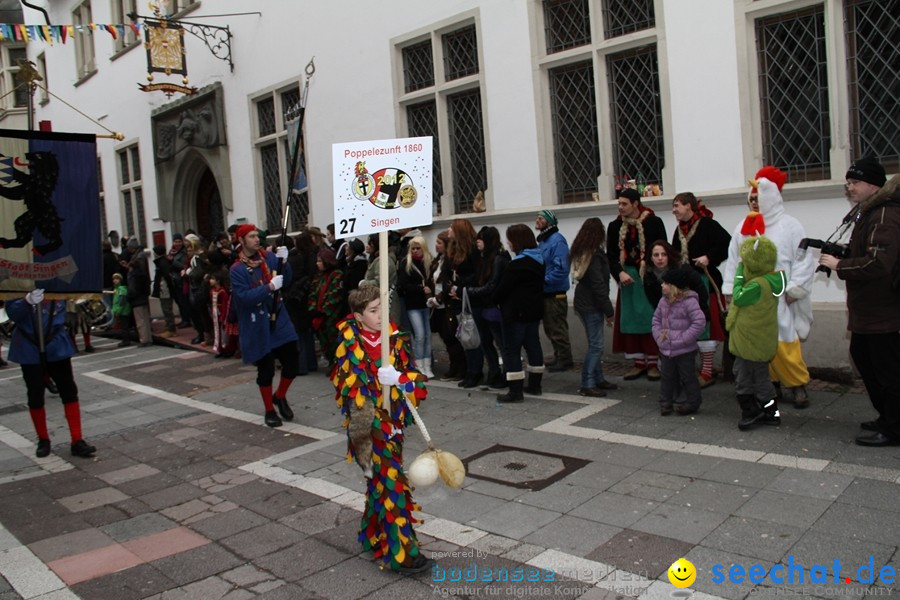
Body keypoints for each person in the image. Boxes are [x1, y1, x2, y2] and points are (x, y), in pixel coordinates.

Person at [331, 286, 431, 574]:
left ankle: (373, 536)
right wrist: (375, 381)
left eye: (382, 308)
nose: (380, 315)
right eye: (373, 311)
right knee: (392, 482)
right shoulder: (349, 342)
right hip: (369, 427)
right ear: (358, 316)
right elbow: (349, 390)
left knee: (380, 482)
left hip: (394, 424)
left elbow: (418, 383)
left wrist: (399, 377)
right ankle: (403, 555)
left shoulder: (395, 338)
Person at [819, 158, 900, 446]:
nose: (849, 188)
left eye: (855, 182)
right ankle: (888, 417)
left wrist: (840, 265)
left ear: (873, 185)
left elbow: (878, 263)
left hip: (884, 312)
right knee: (866, 359)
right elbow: (864, 250)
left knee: (887, 371)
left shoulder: (884, 215)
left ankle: (895, 428)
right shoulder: (869, 213)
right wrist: (840, 251)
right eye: (848, 183)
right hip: (870, 311)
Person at [722, 167, 816, 408]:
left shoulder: (790, 226)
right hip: (753, 298)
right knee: (759, 342)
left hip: (780, 294)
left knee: (785, 340)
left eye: (758, 197)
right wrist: (731, 290)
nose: (754, 201)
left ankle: (797, 384)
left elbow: (803, 260)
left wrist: (794, 289)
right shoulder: (743, 226)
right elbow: (734, 261)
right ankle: (770, 383)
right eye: (751, 198)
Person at [6, 290, 96, 458]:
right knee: (35, 394)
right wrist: (26, 301)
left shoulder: (56, 284)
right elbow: (13, 313)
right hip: (28, 346)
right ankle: (43, 439)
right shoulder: (16, 285)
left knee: (68, 390)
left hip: (55, 344)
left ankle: (77, 440)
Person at [229, 224, 297, 427]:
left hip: (279, 317)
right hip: (258, 323)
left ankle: (280, 395)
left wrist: (285, 261)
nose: (256, 239)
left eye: (257, 236)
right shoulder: (237, 270)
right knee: (266, 370)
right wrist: (268, 287)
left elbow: (287, 279)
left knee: (293, 361)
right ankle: (269, 409)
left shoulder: (268, 258)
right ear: (241, 240)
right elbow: (243, 298)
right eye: (251, 236)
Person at [670, 192, 731, 387]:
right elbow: (674, 255)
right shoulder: (679, 230)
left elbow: (728, 244)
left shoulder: (707, 225)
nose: (674, 210)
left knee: (706, 326)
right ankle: (702, 368)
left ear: (689, 206)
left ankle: (706, 371)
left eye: (676, 205)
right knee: (691, 326)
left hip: (706, 282)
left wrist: (709, 257)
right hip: (686, 285)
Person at [607, 188, 667, 380]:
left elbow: (663, 249)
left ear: (635, 204)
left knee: (650, 318)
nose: (620, 207)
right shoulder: (615, 226)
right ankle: (638, 362)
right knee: (631, 319)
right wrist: (620, 273)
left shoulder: (653, 222)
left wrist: (657, 273)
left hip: (648, 277)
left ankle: (652, 363)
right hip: (628, 279)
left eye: (624, 204)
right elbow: (611, 255)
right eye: (619, 204)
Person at [726, 236, 784, 430]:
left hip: (749, 342)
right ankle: (771, 413)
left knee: (744, 377)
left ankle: (751, 411)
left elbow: (738, 297)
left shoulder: (757, 285)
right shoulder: (771, 281)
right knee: (760, 377)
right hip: (759, 340)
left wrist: (740, 273)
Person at [494, 224, 545, 402]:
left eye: (510, 239)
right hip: (533, 312)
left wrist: (493, 299)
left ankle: (515, 391)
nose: (508, 243)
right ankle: (535, 385)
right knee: (533, 346)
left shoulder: (517, 264)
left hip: (516, 314)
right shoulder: (539, 260)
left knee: (511, 351)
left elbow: (503, 289)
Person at [570, 217, 617, 397]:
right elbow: (599, 285)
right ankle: (588, 382)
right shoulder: (595, 257)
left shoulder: (583, 253)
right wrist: (609, 311)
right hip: (592, 304)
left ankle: (598, 379)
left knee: (593, 343)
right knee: (596, 345)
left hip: (584, 302)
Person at [652, 265, 707, 415]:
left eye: (665, 283)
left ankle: (693, 402)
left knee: (688, 376)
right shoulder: (663, 301)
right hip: (666, 348)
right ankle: (666, 401)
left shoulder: (689, 302)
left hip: (685, 349)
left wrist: (684, 339)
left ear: (673, 286)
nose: (662, 285)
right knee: (667, 376)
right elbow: (656, 320)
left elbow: (699, 323)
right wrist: (658, 337)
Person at [467, 226, 510, 389]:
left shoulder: (498, 259)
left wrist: (470, 291)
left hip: (494, 307)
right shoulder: (484, 258)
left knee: (501, 343)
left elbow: (492, 285)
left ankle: (507, 375)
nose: (477, 241)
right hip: (485, 306)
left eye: (481, 238)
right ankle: (494, 372)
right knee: (486, 342)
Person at [440, 220, 482, 388]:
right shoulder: (452, 250)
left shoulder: (472, 251)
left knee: (472, 337)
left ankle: (475, 371)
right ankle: (469, 370)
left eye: (451, 227)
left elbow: (476, 274)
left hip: (469, 299)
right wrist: (450, 288)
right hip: (456, 299)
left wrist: (460, 287)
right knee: (464, 337)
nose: (448, 230)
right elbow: (448, 274)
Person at [535, 209, 573, 372]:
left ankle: (565, 359)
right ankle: (558, 355)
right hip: (545, 292)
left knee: (557, 327)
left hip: (554, 292)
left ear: (549, 222)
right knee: (550, 328)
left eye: (541, 218)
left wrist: (543, 281)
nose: (537, 220)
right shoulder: (544, 240)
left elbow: (561, 268)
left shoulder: (557, 240)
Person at [428, 231, 465, 380]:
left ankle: (460, 368)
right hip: (437, 304)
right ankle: (454, 367)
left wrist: (440, 298)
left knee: (452, 337)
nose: (436, 246)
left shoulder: (450, 261)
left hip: (447, 304)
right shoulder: (438, 260)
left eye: (439, 243)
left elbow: (449, 283)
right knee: (446, 338)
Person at [397, 235, 434, 377]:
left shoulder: (428, 261)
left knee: (428, 335)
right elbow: (403, 285)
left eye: (418, 248)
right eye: (413, 248)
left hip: (425, 303)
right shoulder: (406, 263)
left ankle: (427, 365)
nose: (416, 251)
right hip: (412, 304)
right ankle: (419, 364)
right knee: (419, 334)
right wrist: (420, 288)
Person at [307, 247, 344, 368]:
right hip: (319, 317)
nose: (317, 264)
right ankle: (331, 363)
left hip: (332, 317)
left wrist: (324, 309)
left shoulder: (337, 275)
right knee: (324, 343)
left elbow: (335, 294)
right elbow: (312, 293)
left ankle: (336, 366)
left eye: (320, 261)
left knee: (334, 342)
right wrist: (313, 309)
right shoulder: (318, 276)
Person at [125, 239, 152, 348]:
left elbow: (132, 286)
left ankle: (144, 340)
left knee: (140, 319)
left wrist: (129, 296)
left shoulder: (135, 272)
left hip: (137, 297)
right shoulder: (142, 256)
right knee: (145, 317)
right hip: (143, 294)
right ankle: (148, 338)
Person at [151, 244, 178, 338]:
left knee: (167, 309)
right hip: (163, 289)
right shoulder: (162, 262)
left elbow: (167, 276)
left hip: (165, 290)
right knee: (166, 309)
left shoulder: (162, 263)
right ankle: (169, 327)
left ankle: (171, 329)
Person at [209, 270, 236, 358]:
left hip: (222, 315)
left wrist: (223, 316)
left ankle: (227, 349)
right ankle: (220, 349)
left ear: (218, 280)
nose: (210, 281)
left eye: (213, 279)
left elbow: (224, 305)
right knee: (218, 333)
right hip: (215, 314)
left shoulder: (222, 292)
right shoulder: (212, 291)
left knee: (224, 333)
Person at [110, 272, 132, 346]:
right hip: (121, 311)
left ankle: (126, 340)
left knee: (124, 326)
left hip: (124, 311)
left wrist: (118, 311)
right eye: (114, 279)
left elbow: (121, 301)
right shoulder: (116, 289)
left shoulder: (121, 289)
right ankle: (125, 339)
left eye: (117, 279)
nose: (115, 280)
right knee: (123, 326)